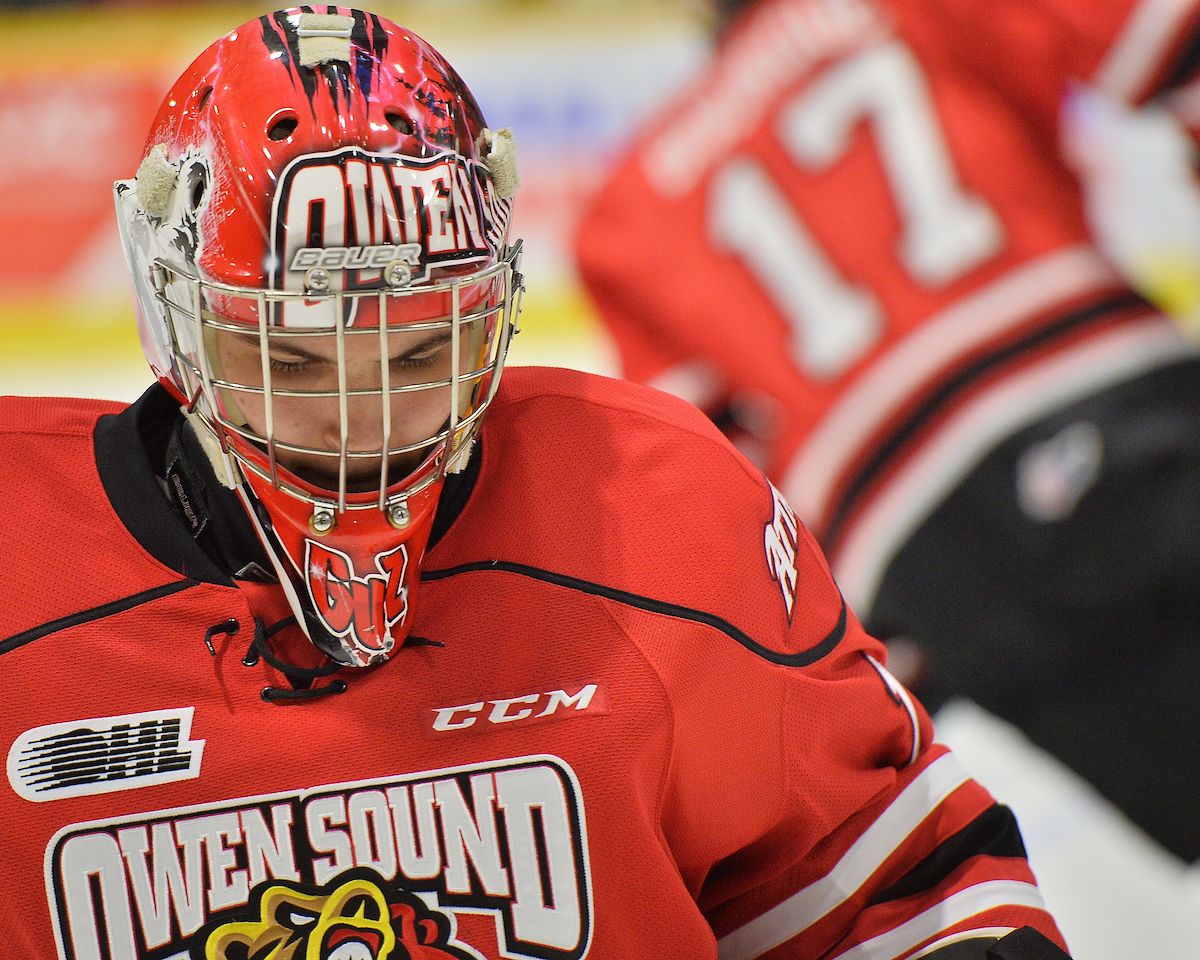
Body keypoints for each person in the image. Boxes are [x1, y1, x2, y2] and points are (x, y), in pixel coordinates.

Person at [0, 8, 1072, 960]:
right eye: (288, 360)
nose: (357, 425)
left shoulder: (652, 512)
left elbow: (894, 896)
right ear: (175, 321)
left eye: (419, 355)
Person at [575, 0, 1200, 864]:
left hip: (936, 565)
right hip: (1108, 400)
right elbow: (1167, 36)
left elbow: (710, 487)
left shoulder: (626, 206)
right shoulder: (902, 6)